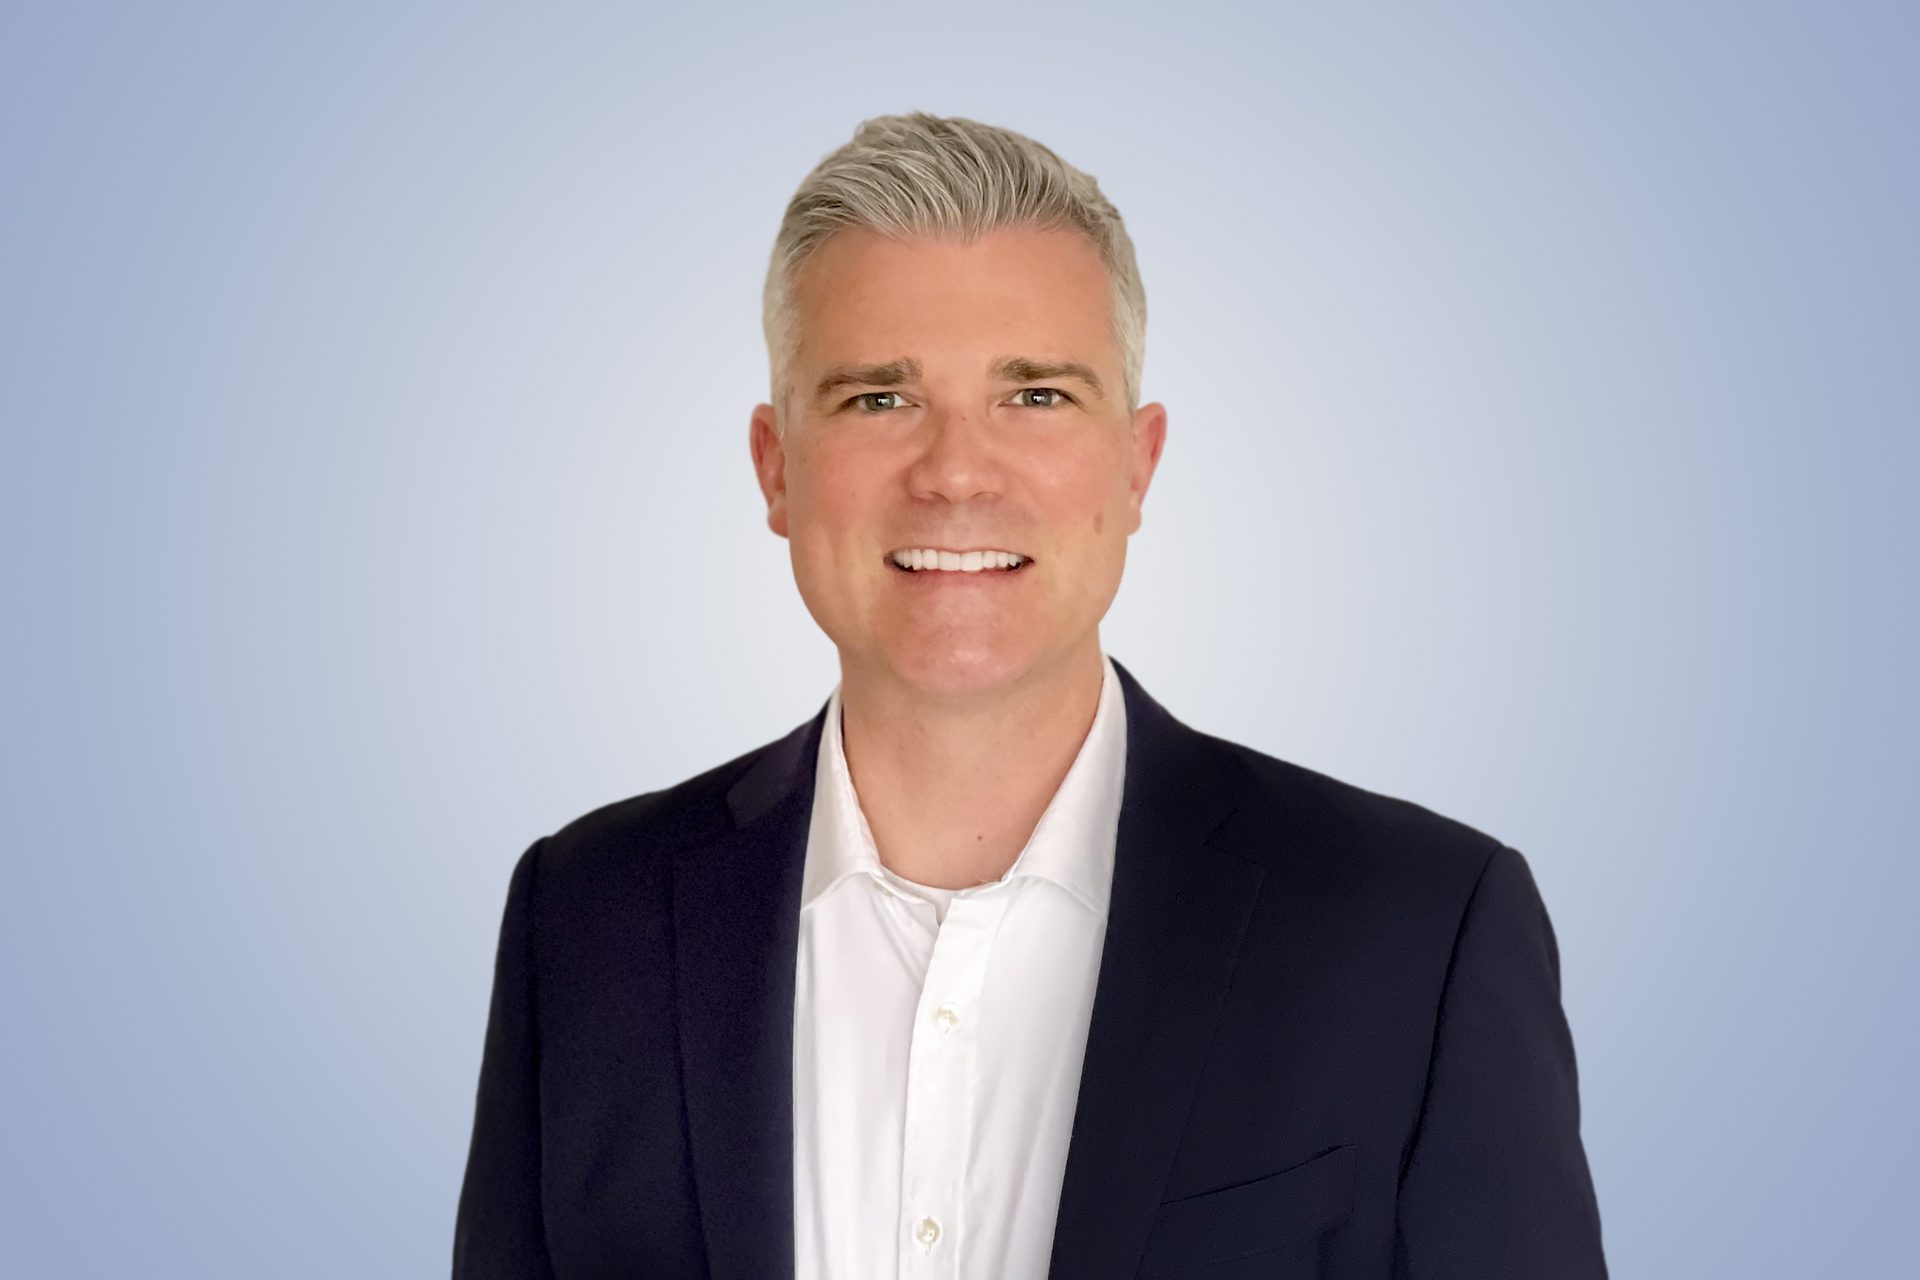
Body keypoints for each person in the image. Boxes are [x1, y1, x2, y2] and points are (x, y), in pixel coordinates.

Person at [452, 112, 1607, 1280]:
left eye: (1038, 395)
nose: (956, 470)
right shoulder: (584, 918)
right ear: (777, 467)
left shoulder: (1418, 928)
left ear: (1138, 463)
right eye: (877, 399)